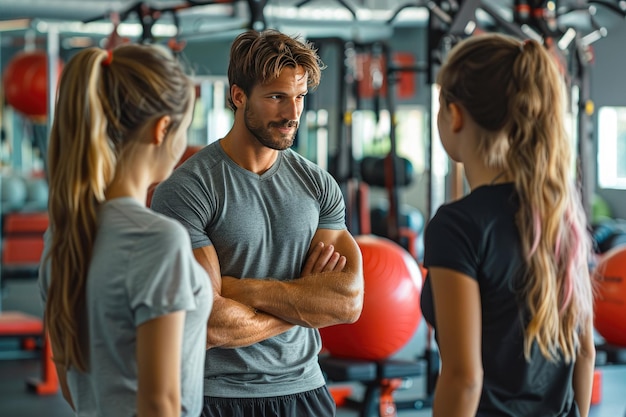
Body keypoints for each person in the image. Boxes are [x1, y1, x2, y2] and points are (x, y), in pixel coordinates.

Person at [151, 28, 365, 417]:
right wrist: (304, 305)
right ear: (238, 96)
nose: (293, 114)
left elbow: (347, 302)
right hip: (217, 397)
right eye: (276, 97)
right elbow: (211, 324)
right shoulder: (187, 190)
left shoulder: (319, 185)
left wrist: (243, 290)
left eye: (300, 97)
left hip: (307, 391)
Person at [420, 32, 596, 417]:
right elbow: (585, 352)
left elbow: (464, 379)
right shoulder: (558, 215)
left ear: (454, 114)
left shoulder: (456, 226)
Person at [39, 44, 213, 417]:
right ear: (162, 128)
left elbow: (72, 387)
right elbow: (159, 405)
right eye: (183, 129)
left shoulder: (62, 236)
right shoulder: (156, 240)